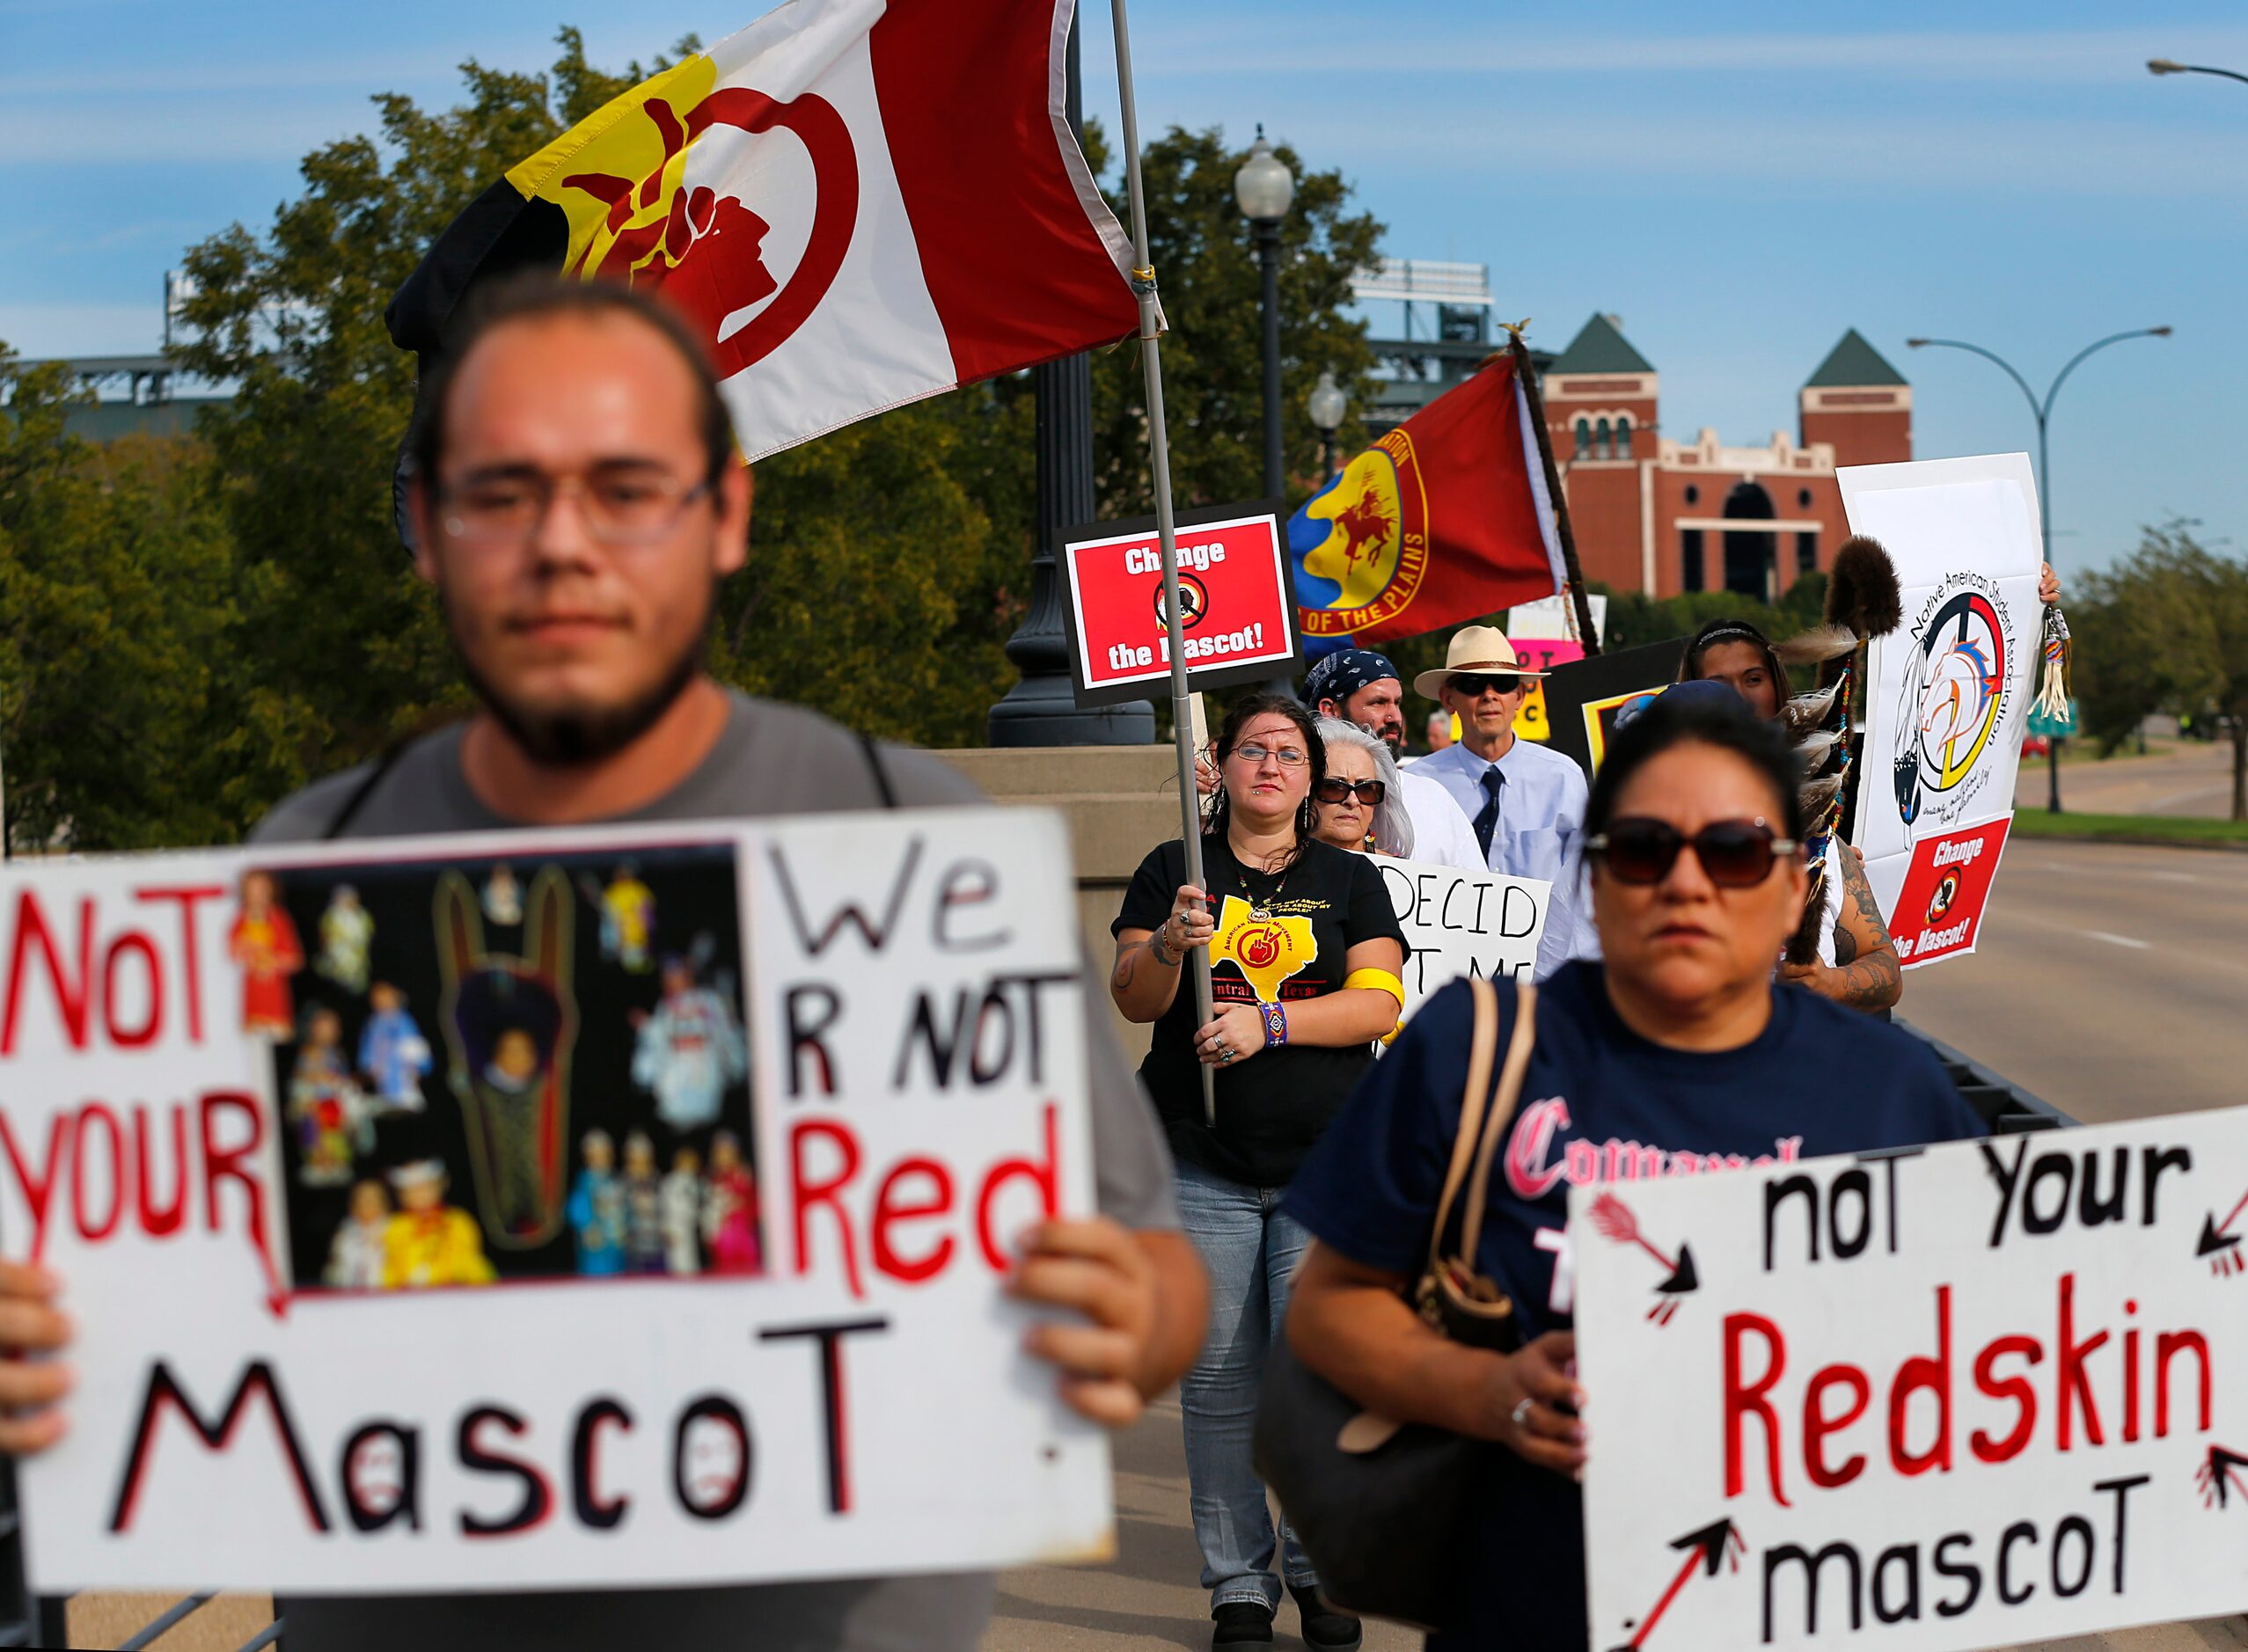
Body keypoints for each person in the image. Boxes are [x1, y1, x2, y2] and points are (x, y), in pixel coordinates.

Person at [0, 274, 1207, 1652]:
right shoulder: (308, 864)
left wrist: (1126, 1318)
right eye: (500, 492)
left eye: (626, 487)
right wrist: (62, 1339)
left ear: (726, 517)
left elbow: (1157, 1272)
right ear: (427, 532)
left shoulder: (908, 851)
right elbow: (174, 1279)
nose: (561, 544)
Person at [1281, 690, 1985, 1649]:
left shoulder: (1892, 1092)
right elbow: (1328, 1307)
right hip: (1527, 1606)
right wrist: (1489, 1393)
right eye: (1646, 849)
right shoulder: (1472, 1049)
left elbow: (1978, 1354)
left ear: (1790, 888)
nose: (1687, 884)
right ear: (1596, 879)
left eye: (1733, 852)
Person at [1112, 693, 1405, 1652]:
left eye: (1288, 753)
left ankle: (1319, 1572)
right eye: (1251, 750)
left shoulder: (1348, 879)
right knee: (1220, 1381)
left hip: (1323, 1166)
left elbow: (1376, 1005)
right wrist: (1166, 944)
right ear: (1222, 768)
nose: (1270, 766)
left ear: (1311, 779)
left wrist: (1266, 1023)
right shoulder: (1174, 873)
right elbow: (1131, 996)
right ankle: (1238, 1586)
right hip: (1204, 1166)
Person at [1678, 618, 1901, 1012]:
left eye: (1753, 679)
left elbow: (1884, 967)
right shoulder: (1637, 844)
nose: (1740, 698)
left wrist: (1830, 982)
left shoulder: (1820, 812)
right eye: (1717, 684)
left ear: (1776, 685)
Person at [1410, 625, 1588, 978]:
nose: (1490, 695)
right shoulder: (1418, 783)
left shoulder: (1563, 776)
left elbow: (1585, 884)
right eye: (1474, 685)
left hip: (1541, 967)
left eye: (1503, 684)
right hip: (1443, 967)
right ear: (1448, 699)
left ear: (1520, 696)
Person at [1300, 648, 1483, 873]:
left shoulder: (1433, 798)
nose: (1395, 717)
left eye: (1397, 703)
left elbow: (1478, 895)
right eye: (1378, 702)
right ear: (1330, 710)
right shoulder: (1292, 794)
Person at [1310, 717, 1413, 859]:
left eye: (1367, 790)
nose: (1352, 801)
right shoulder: (1276, 869)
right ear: (1306, 791)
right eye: (1334, 787)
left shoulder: (1402, 873)